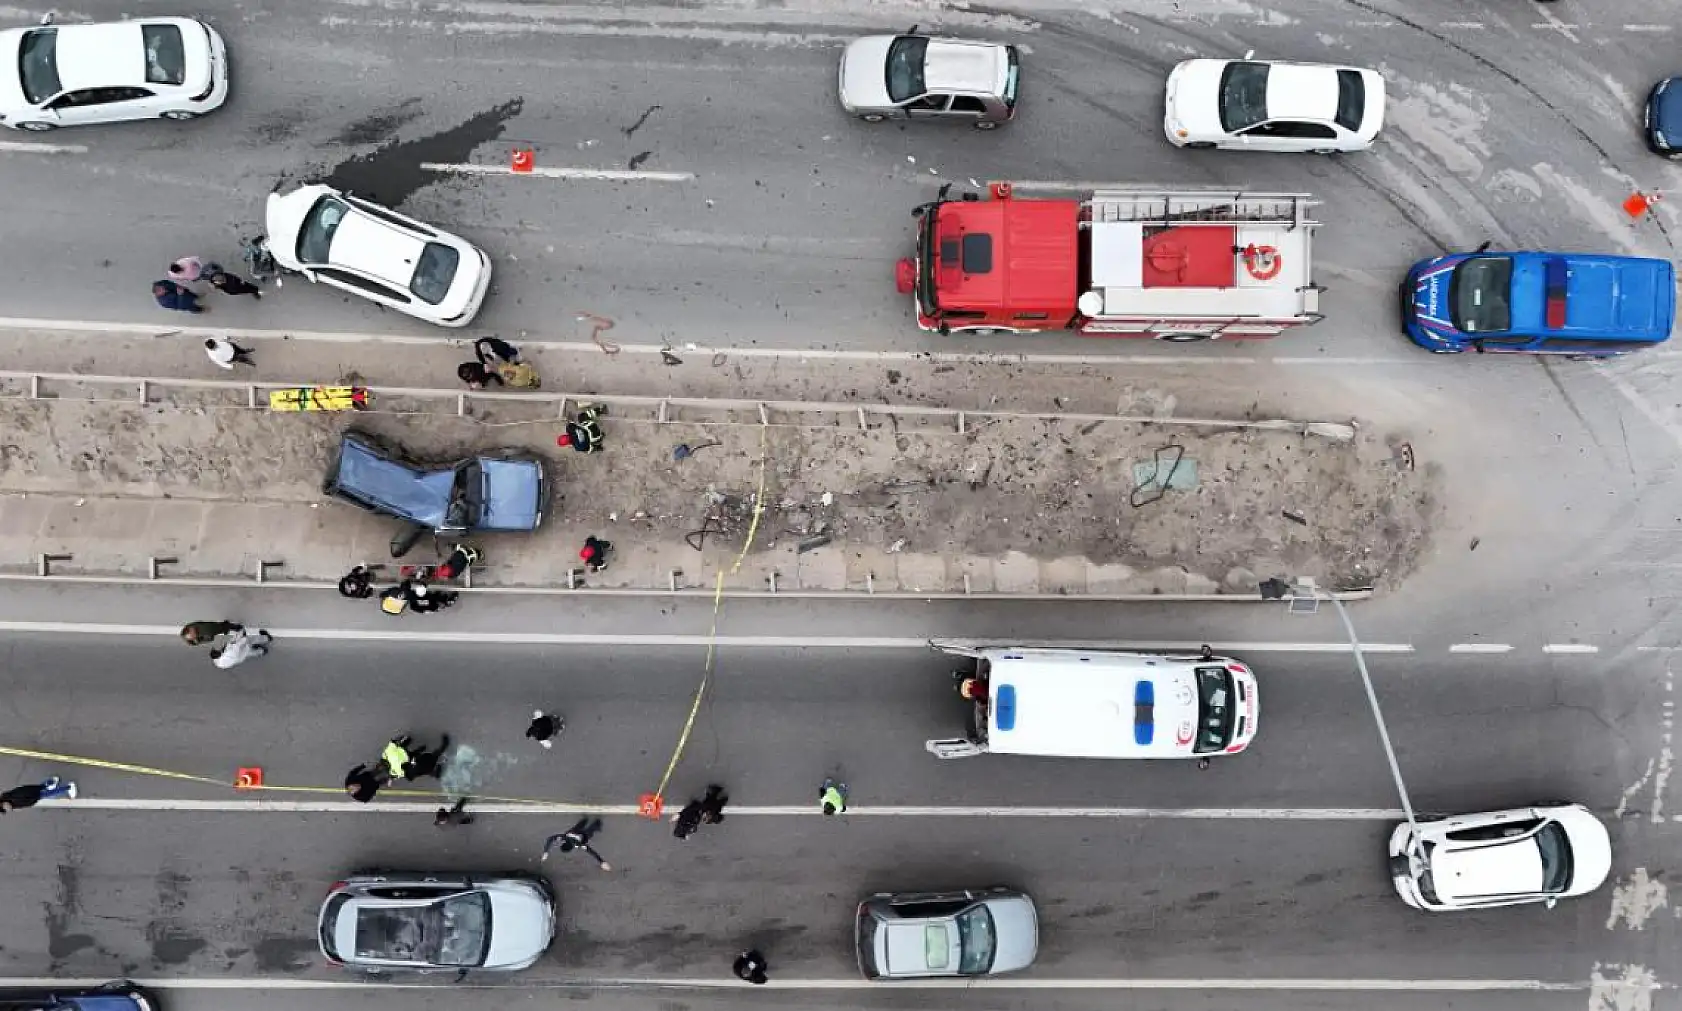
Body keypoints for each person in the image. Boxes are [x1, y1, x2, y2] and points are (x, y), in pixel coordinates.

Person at [541, 817, 611, 871]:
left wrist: (602, 862)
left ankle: (597, 823)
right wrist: (545, 852)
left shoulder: (577, 845)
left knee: (590, 831)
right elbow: (550, 839)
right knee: (578, 827)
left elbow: (591, 851)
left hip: (582, 836)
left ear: (571, 848)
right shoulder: (564, 838)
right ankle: (584, 821)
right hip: (573, 832)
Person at [0, 776, 76, 812]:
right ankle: (52, 781)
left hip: (31, 796)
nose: (7, 810)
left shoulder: (13, 800)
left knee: (50, 793)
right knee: (41, 787)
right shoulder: (7, 796)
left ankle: (69, 787)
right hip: (29, 792)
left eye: (4, 808)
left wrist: (12, 808)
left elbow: (24, 798)